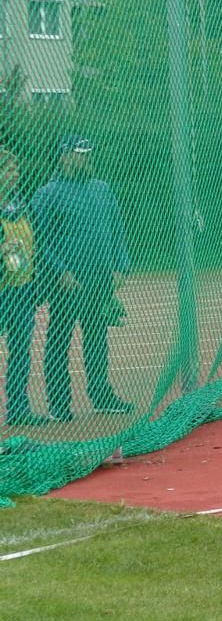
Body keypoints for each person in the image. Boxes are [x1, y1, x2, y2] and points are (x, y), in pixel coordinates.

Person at [31, 135, 132, 421]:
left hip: (100, 279)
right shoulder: (48, 193)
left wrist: (121, 267)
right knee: (59, 340)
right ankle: (59, 403)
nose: (86, 158)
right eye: (80, 153)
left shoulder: (102, 189)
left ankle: (101, 396)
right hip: (67, 283)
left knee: (97, 338)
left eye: (88, 153)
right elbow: (40, 239)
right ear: (65, 156)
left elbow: (117, 230)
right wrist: (60, 271)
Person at [0, 147, 41, 428]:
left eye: (15, 169)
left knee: (20, 349)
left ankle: (18, 407)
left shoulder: (19, 202)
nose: (15, 174)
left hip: (21, 288)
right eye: (8, 169)